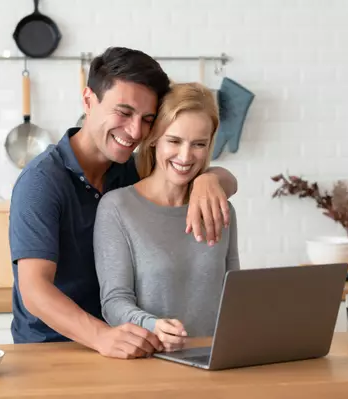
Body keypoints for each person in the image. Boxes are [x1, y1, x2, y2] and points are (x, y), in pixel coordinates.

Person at [8, 46, 239, 359]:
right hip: (53, 349)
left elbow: (205, 176)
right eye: (124, 112)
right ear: (89, 101)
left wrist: (209, 180)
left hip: (122, 344)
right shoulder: (41, 183)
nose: (134, 132)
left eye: (146, 119)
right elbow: (34, 291)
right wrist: (102, 336)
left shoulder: (128, 169)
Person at [93, 82, 240, 352]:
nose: (185, 156)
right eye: (174, 141)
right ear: (154, 140)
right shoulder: (117, 208)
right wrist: (151, 325)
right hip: (149, 358)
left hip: (215, 360)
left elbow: (233, 296)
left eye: (199, 144)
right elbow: (114, 302)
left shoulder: (221, 209)